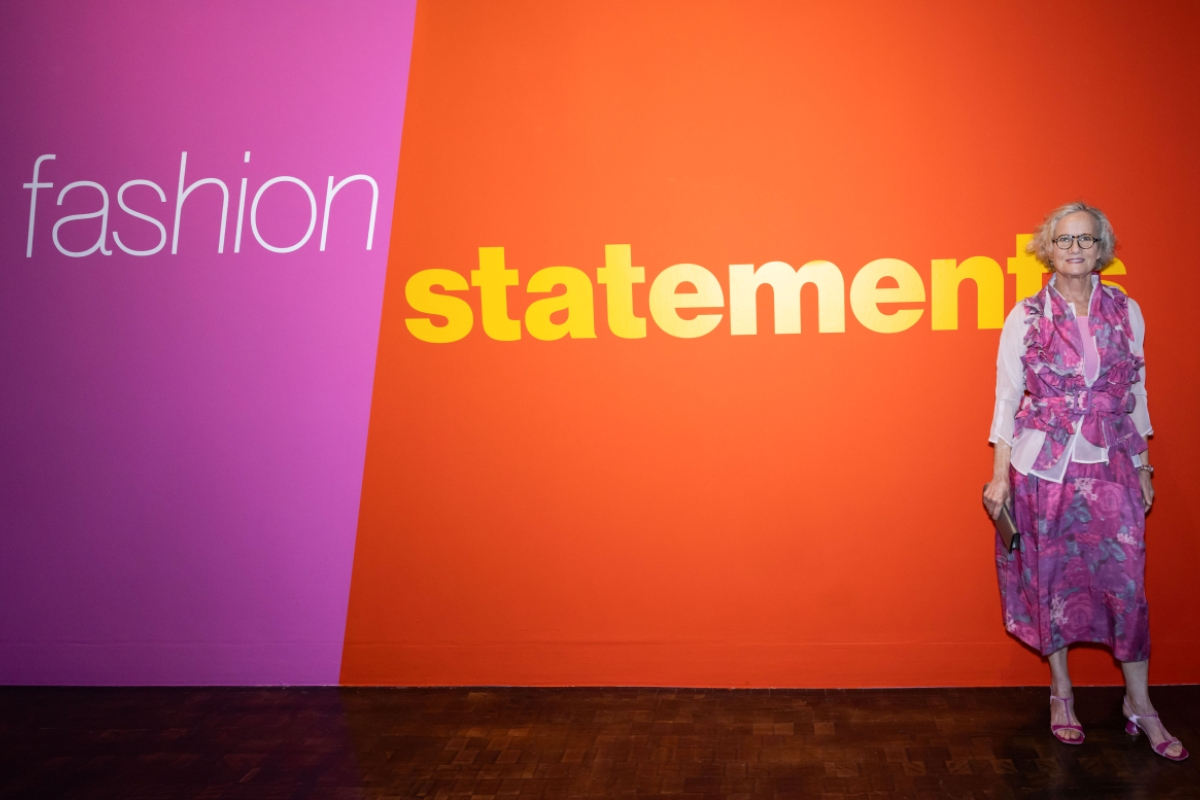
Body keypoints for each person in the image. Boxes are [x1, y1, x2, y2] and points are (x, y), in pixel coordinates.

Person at [983, 202, 1187, 761]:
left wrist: (1144, 464)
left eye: (1086, 240)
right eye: (1065, 240)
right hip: (1043, 465)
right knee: (1052, 580)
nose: (1075, 249)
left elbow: (1135, 393)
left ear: (1103, 249)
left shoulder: (1126, 309)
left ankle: (1139, 704)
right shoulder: (1025, 316)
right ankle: (1061, 692)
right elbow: (1007, 398)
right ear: (1047, 248)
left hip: (1112, 462)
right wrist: (998, 476)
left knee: (1127, 587)